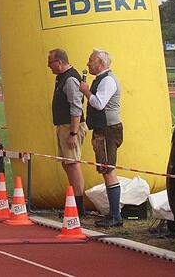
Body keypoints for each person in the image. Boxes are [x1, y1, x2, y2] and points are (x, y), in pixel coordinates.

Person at [78, 49, 124, 228]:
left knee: (108, 169)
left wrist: (87, 91)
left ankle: (115, 215)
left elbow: (98, 103)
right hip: (103, 129)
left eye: (91, 61)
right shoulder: (102, 79)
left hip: (107, 130)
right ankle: (113, 213)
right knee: (106, 169)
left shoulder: (108, 81)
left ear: (100, 63)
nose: (88, 63)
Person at [48, 48, 87, 217]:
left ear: (59, 62)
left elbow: (76, 106)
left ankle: (78, 206)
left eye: (50, 62)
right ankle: (74, 202)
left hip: (70, 127)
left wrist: (73, 132)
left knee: (73, 165)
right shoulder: (62, 78)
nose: (49, 66)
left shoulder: (70, 79)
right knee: (67, 164)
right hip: (64, 126)